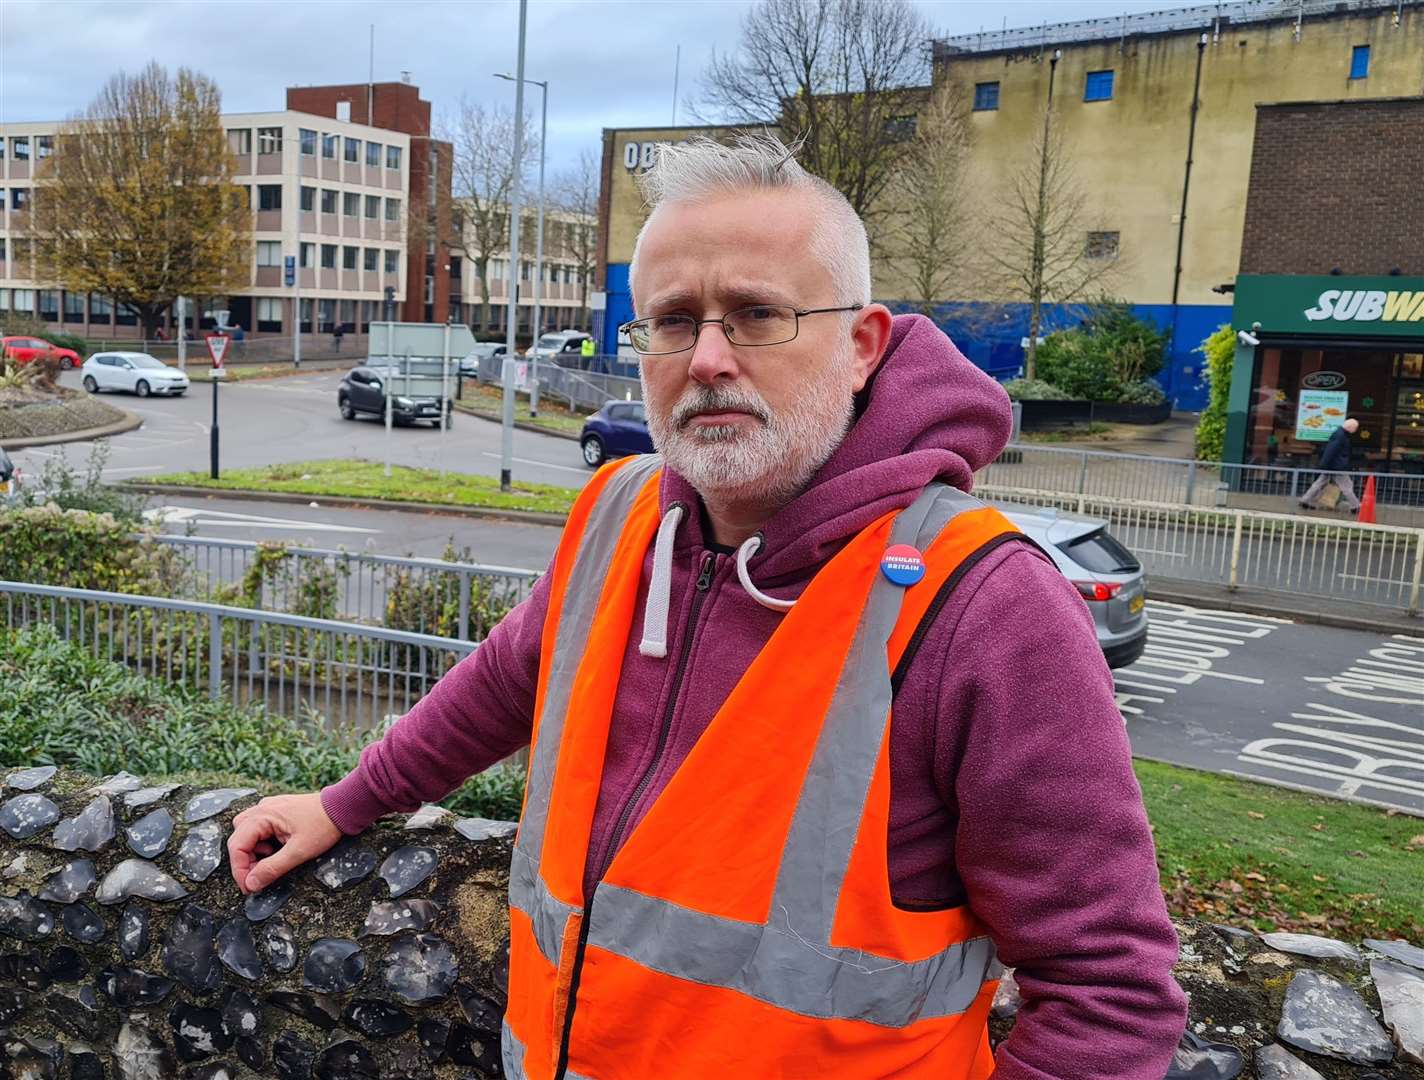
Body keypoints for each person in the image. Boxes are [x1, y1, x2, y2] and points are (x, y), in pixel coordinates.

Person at [229, 134, 1186, 1078]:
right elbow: (508, 680)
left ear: (862, 346)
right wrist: (348, 802)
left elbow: (1112, 993)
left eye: (758, 315)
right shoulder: (621, 513)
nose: (708, 359)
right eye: (673, 321)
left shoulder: (984, 601)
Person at [1299, 417, 1361, 513]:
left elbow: (1330, 450)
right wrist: (1324, 464)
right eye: (1355, 428)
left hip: (1332, 465)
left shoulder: (1339, 434)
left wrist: (1324, 464)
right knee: (1347, 486)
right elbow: (1331, 450)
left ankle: (1305, 500)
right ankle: (1355, 506)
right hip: (1337, 467)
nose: (1355, 430)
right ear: (1350, 427)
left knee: (1319, 483)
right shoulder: (1341, 435)